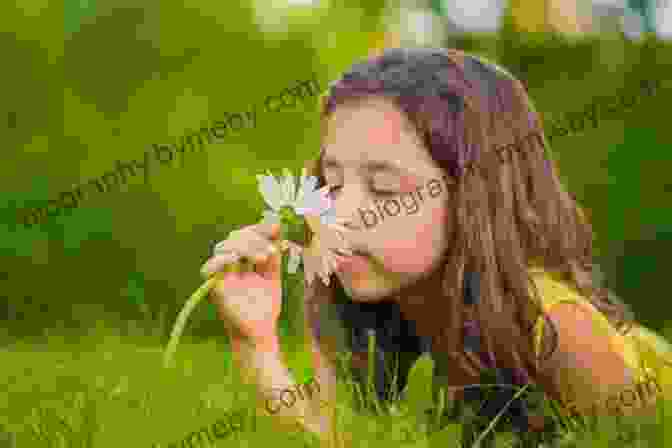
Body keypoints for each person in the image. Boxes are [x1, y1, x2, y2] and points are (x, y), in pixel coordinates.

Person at [200, 48, 668, 446]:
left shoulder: (557, 330)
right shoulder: (350, 298)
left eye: (384, 189)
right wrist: (257, 343)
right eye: (332, 183)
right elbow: (333, 440)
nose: (337, 216)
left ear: (474, 199)